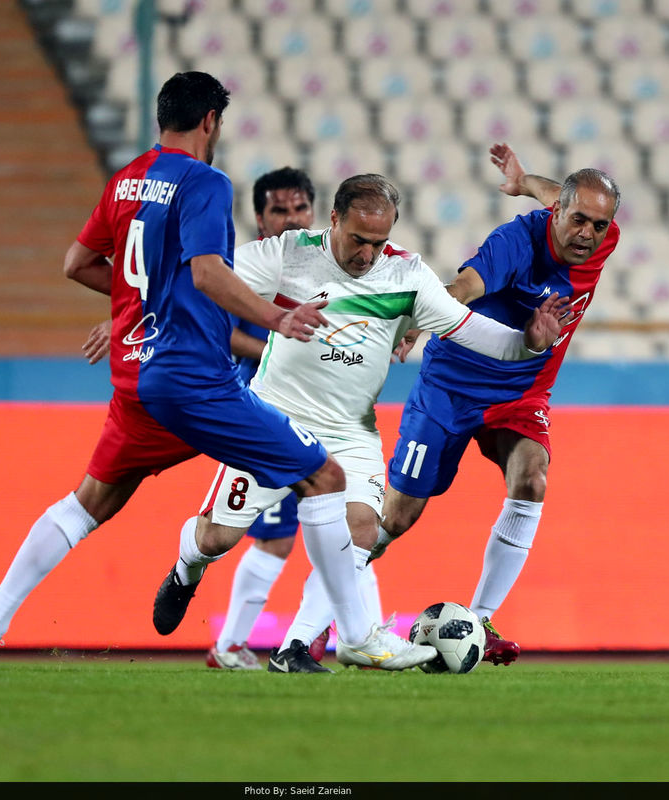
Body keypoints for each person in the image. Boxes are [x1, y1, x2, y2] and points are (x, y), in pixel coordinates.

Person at [0, 71, 433, 672]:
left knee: (87, 504)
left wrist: (137, 307)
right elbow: (206, 273)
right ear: (211, 121)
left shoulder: (126, 181)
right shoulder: (205, 182)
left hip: (135, 378)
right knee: (326, 477)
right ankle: (359, 636)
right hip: (196, 381)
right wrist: (275, 319)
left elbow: (77, 263)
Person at [154, 173, 573, 673]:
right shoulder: (289, 254)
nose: (367, 255)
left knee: (362, 528)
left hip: (351, 432)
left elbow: (478, 334)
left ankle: (327, 644)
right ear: (334, 219)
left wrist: (529, 340)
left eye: (379, 242)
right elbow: (203, 279)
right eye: (357, 240)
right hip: (273, 420)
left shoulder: (406, 275)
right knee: (216, 539)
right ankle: (186, 569)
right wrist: (134, 318)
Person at [369, 143, 622, 667]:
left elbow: (563, 194)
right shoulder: (514, 243)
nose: (589, 235)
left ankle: (480, 621)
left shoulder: (596, 236)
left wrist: (527, 178)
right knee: (396, 518)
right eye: (579, 221)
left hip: (520, 393)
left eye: (600, 226)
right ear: (558, 215)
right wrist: (415, 319)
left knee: (532, 477)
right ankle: (330, 613)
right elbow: (463, 286)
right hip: (452, 385)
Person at [206, 167, 336, 671]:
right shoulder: (243, 268)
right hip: (259, 404)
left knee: (288, 532)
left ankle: (237, 645)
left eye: (299, 208)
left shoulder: (328, 263)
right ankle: (345, 632)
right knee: (253, 532)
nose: (290, 218)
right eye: (279, 210)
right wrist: (276, 350)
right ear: (259, 219)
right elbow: (221, 333)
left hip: (314, 408)